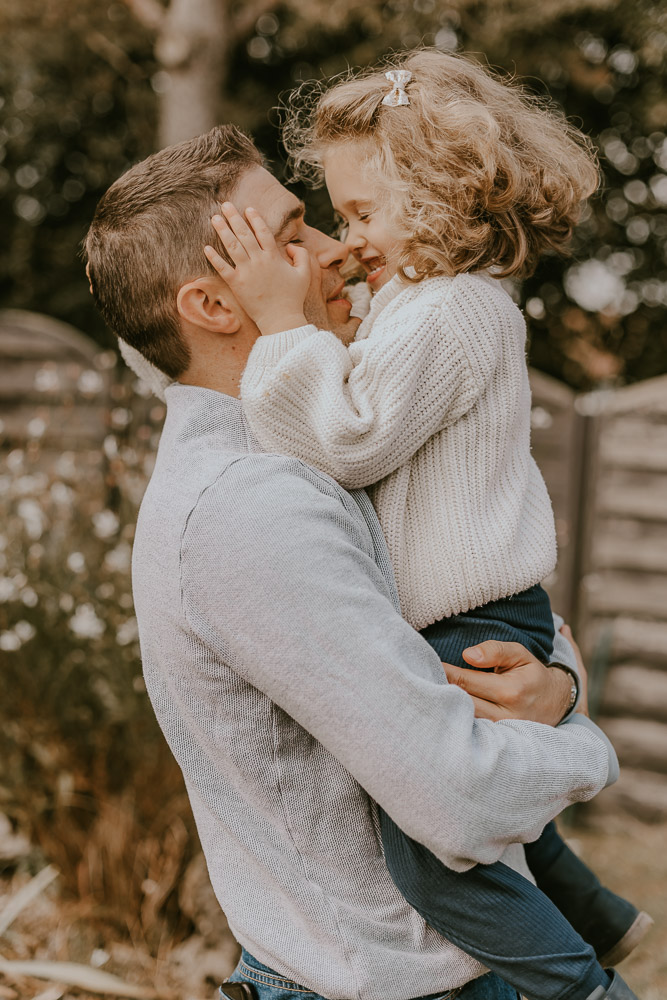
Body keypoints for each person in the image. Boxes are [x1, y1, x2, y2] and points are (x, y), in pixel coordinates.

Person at [84, 124, 636, 1000]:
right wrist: (584, 743)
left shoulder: (316, 458)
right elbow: (457, 795)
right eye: (296, 235)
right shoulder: (249, 507)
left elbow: (476, 609)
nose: (341, 249)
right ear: (217, 306)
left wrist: (555, 680)